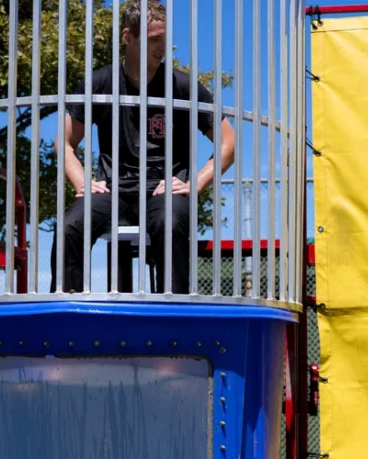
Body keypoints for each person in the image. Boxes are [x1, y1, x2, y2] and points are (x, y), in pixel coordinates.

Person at [50, 0, 236, 294]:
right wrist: (82, 180)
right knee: (70, 226)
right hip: (113, 191)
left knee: (172, 223)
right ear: (127, 37)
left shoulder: (183, 87)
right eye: (154, 39)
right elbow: (65, 143)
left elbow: (228, 141)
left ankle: (171, 309)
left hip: (162, 190)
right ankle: (65, 306)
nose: (162, 47)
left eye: (165, 39)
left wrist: (196, 183)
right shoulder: (100, 83)